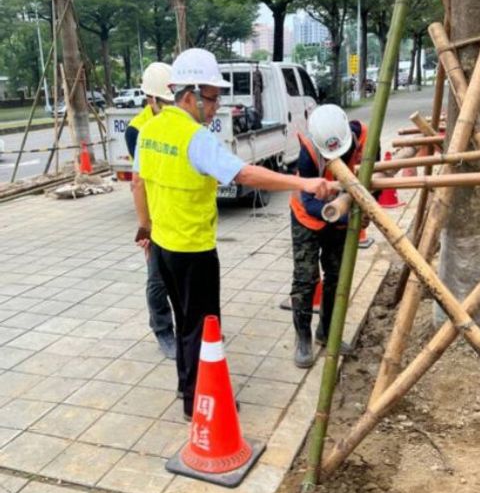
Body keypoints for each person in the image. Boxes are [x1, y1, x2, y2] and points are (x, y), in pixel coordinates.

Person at [132, 48, 336, 418]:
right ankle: (200, 404)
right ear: (189, 95)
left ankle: (186, 387)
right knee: (203, 328)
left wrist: (145, 228)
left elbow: (139, 182)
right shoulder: (196, 138)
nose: (215, 108)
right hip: (193, 251)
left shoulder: (149, 130)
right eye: (211, 99)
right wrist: (303, 182)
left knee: (183, 324)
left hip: (162, 247)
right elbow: (243, 174)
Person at [289, 104, 373, 368]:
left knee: (336, 277)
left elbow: (375, 179)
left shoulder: (366, 140)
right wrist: (348, 215)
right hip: (308, 217)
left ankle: (326, 332)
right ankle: (303, 337)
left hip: (340, 217)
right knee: (306, 278)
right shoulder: (309, 153)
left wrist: (368, 206)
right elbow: (311, 203)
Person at [127, 62, 177, 358]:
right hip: (157, 215)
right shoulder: (138, 130)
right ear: (152, 99)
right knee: (157, 278)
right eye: (166, 101)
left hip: (180, 213)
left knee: (186, 277)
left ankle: (192, 325)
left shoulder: (179, 120)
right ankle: (162, 330)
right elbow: (139, 182)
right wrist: (145, 226)